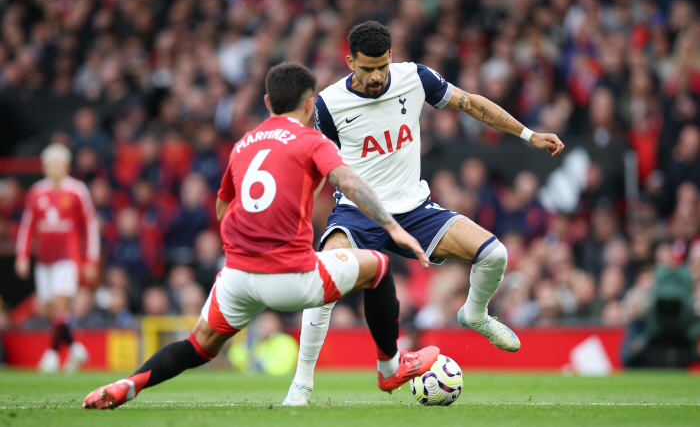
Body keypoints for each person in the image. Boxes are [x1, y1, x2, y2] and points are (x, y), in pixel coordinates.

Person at [82, 63, 439, 410]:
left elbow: (223, 209)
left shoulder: (243, 145)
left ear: (268, 103)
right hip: (291, 278)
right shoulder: (313, 141)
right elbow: (347, 181)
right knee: (377, 267)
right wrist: (393, 227)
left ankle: (128, 384)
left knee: (199, 345)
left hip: (237, 277)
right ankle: (390, 369)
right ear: (310, 104)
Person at [283, 21, 565, 405]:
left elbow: (470, 103)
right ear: (350, 62)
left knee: (495, 254)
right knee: (324, 280)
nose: (378, 76)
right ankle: (301, 384)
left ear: (391, 57)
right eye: (367, 69)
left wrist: (528, 134)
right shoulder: (329, 105)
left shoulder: (415, 78)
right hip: (358, 212)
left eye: (383, 65)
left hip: (414, 208)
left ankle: (475, 314)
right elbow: (316, 164)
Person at [15, 143, 100, 373]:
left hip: (67, 258)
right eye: (50, 164)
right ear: (44, 167)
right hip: (44, 259)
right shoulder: (37, 191)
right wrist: (22, 255)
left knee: (61, 304)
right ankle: (74, 348)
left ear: (66, 166)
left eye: (58, 164)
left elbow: (90, 226)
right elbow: (27, 225)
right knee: (50, 309)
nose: (54, 168)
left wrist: (91, 260)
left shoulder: (77, 190)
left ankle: (51, 354)